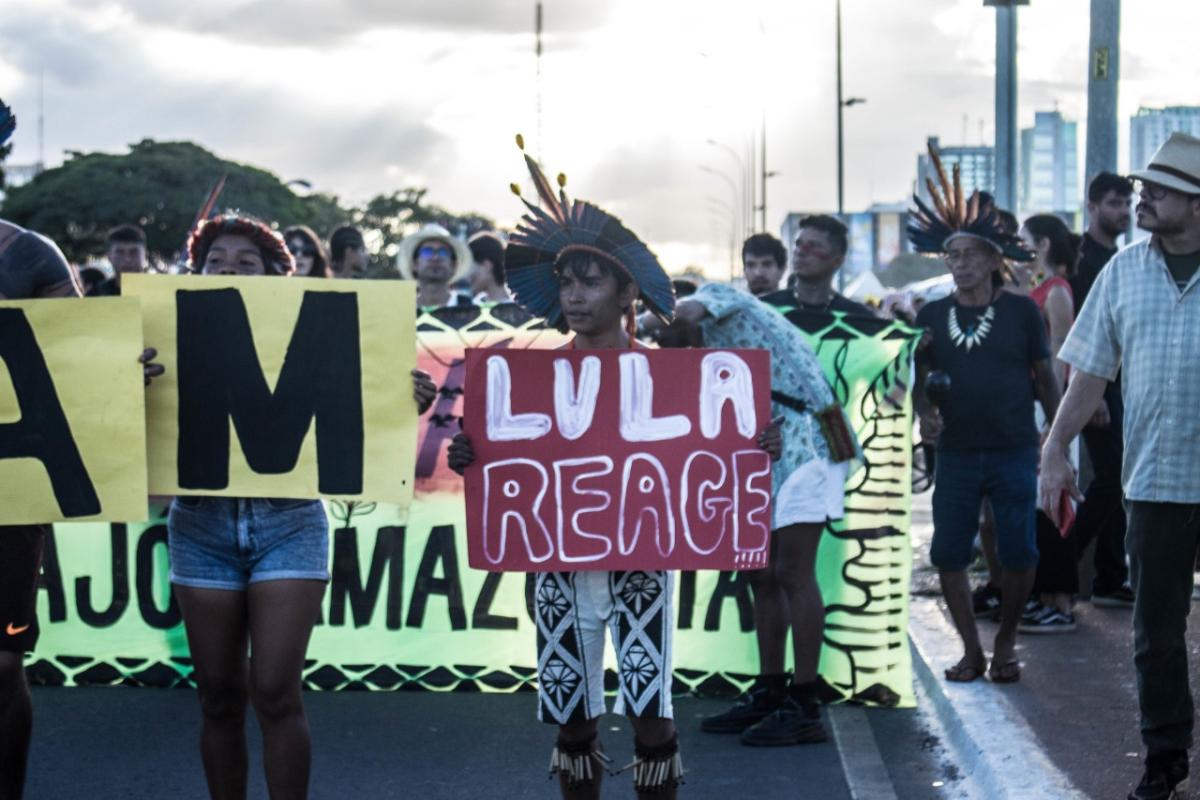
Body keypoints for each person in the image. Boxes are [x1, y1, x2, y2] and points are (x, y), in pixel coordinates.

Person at [448, 145, 781, 798]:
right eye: (567, 282)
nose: (574, 295)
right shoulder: (529, 377)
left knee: (651, 716)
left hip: (640, 568)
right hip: (558, 571)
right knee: (572, 723)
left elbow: (714, 448)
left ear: (627, 291)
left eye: (590, 281)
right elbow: (504, 459)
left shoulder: (667, 377)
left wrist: (753, 444)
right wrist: (472, 455)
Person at [171, 214, 436, 800]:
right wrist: (126, 376)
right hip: (199, 526)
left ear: (278, 277)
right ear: (195, 273)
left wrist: (401, 399)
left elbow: (356, 404)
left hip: (289, 523)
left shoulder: (307, 334)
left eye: (246, 264)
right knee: (217, 694)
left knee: (274, 690)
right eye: (216, 263)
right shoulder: (167, 335)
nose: (230, 272)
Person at [1040, 132, 1200, 800]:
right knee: (1154, 635)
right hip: (1158, 481)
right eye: (1142, 188)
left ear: (1195, 203)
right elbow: (1088, 373)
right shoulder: (1124, 271)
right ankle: (1165, 757)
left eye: (1159, 190)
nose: (1143, 198)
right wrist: (1054, 450)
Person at [641, 282, 860, 746]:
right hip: (775, 445)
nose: (665, 346)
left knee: (792, 571)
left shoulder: (718, 296)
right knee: (760, 572)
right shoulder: (705, 351)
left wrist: (637, 319)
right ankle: (770, 688)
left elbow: (682, 311)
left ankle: (805, 704)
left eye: (665, 337)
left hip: (815, 436)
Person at [908, 152, 1061, 685]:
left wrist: (1056, 436)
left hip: (1015, 447)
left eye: (971, 254)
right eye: (952, 254)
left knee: (1019, 549)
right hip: (955, 453)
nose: (960, 263)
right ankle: (971, 650)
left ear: (993, 258)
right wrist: (925, 414)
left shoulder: (1022, 310)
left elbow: (1045, 376)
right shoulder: (931, 316)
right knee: (949, 551)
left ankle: (1005, 643)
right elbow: (918, 381)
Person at [1069, 172, 1135, 608]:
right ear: (1092, 206)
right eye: (1114, 203)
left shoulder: (1126, 258)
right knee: (1112, 477)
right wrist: (1088, 396)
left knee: (1120, 478)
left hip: (1123, 385)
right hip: (1092, 383)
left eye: (1127, 203)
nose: (1123, 211)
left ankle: (1111, 576)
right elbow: (1074, 328)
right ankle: (1060, 561)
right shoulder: (1079, 260)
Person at [1011, 214, 1079, 633]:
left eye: (1025, 242)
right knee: (1039, 502)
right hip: (1033, 405)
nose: (1021, 249)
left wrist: (1055, 418)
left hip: (1048, 407)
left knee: (1056, 500)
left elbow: (1061, 354)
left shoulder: (1057, 292)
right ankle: (1046, 595)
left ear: (1044, 245)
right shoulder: (1034, 288)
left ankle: (1062, 600)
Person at [760, 215, 873, 317]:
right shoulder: (766, 310)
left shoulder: (857, 317)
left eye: (813, 246)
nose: (800, 252)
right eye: (798, 244)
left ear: (837, 261)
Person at [396, 223, 473, 310]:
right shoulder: (402, 310)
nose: (435, 257)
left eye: (443, 252)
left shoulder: (473, 309)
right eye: (427, 252)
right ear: (414, 264)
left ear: (453, 265)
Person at [466, 231, 510, 304]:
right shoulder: (472, 306)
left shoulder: (518, 308)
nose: (467, 277)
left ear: (487, 266)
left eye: (469, 268)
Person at [741, 233, 787, 297]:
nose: (758, 273)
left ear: (782, 269)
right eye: (751, 265)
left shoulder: (795, 306)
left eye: (766, 265)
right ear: (744, 270)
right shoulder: (732, 306)